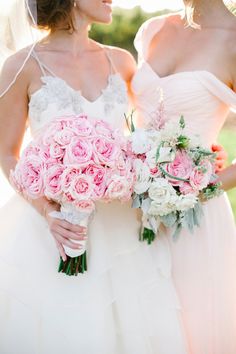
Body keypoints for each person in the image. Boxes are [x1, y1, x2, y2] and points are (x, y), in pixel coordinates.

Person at [0, 1, 192, 353]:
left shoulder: (121, 61)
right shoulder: (22, 66)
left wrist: (185, 156)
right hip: (55, 229)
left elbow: (145, 136)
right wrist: (48, 211)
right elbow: (7, 154)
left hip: (124, 232)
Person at [132, 0, 236, 353]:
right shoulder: (154, 30)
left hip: (195, 217)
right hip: (131, 210)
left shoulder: (233, 40)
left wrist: (200, 187)